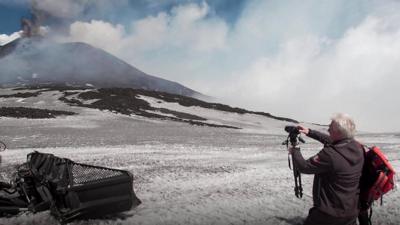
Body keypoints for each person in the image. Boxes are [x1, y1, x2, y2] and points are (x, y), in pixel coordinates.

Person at [289, 113, 364, 225]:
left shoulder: (330, 154)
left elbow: (304, 167)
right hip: (351, 211)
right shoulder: (357, 147)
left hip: (328, 214)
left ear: (338, 132)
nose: (328, 129)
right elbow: (330, 139)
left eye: (330, 127)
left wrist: (295, 149)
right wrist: (309, 132)